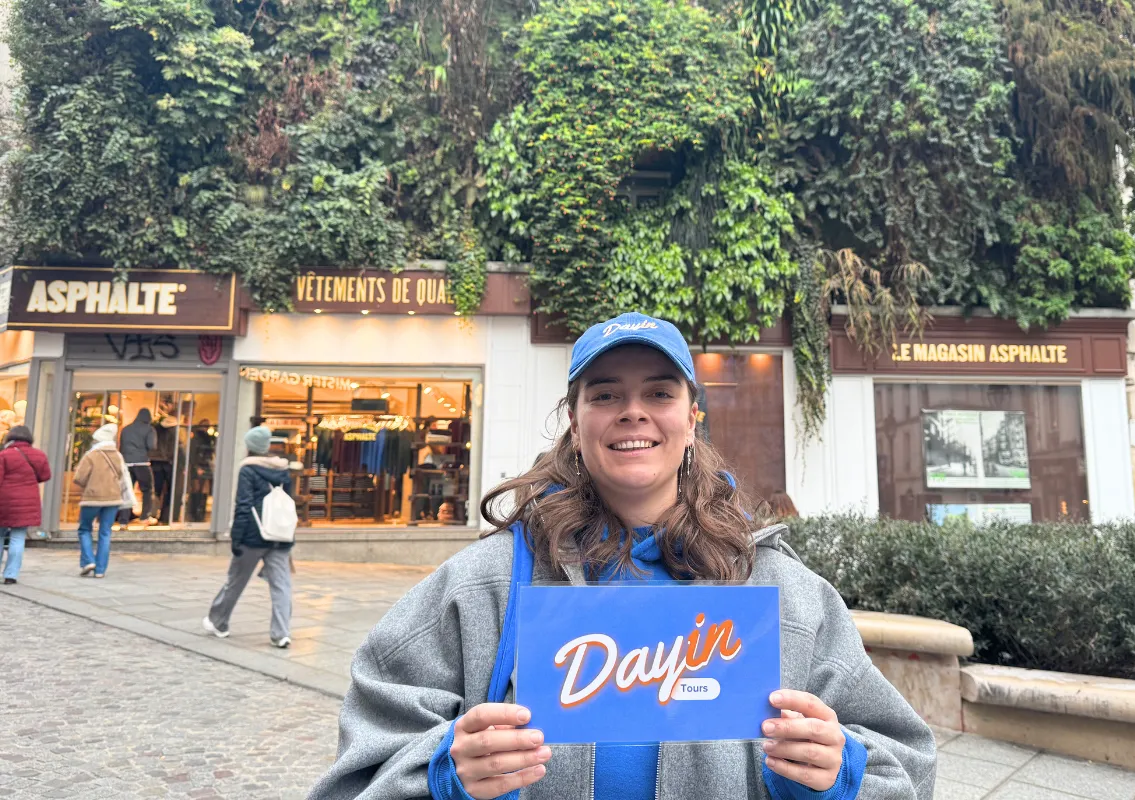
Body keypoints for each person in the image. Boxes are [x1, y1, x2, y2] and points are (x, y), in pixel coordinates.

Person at [309, 312, 936, 800]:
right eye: (604, 395)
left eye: (659, 393)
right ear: (575, 423)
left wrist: (840, 771)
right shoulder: (483, 586)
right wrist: (445, 773)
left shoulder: (781, 592)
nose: (632, 410)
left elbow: (906, 761)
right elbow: (358, 770)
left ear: (692, 419)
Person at [202, 425, 294, 648]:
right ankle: (281, 633)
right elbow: (288, 504)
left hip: (253, 535)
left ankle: (219, 621)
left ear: (250, 447)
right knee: (281, 585)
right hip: (280, 535)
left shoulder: (248, 470)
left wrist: (237, 538)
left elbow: (243, 506)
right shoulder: (283, 470)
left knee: (236, 580)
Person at [73, 423, 127, 578]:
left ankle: (88, 560)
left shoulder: (91, 455)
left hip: (92, 498)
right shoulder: (118, 455)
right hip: (113, 499)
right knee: (105, 533)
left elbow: (79, 478)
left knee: (84, 529)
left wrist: (90, 483)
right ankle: (101, 570)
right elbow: (122, 476)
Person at [0, 426, 52, 584]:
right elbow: (45, 475)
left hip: (4, 500)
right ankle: (11, 575)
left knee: (0, 536)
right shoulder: (39, 455)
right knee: (18, 537)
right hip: (28, 500)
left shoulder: (4, 455)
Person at [118, 408, 157, 526]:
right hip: (142, 463)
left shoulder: (125, 429)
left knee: (127, 491)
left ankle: (123, 521)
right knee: (147, 490)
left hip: (127, 463)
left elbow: (121, 447)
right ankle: (145, 517)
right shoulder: (150, 429)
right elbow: (152, 446)